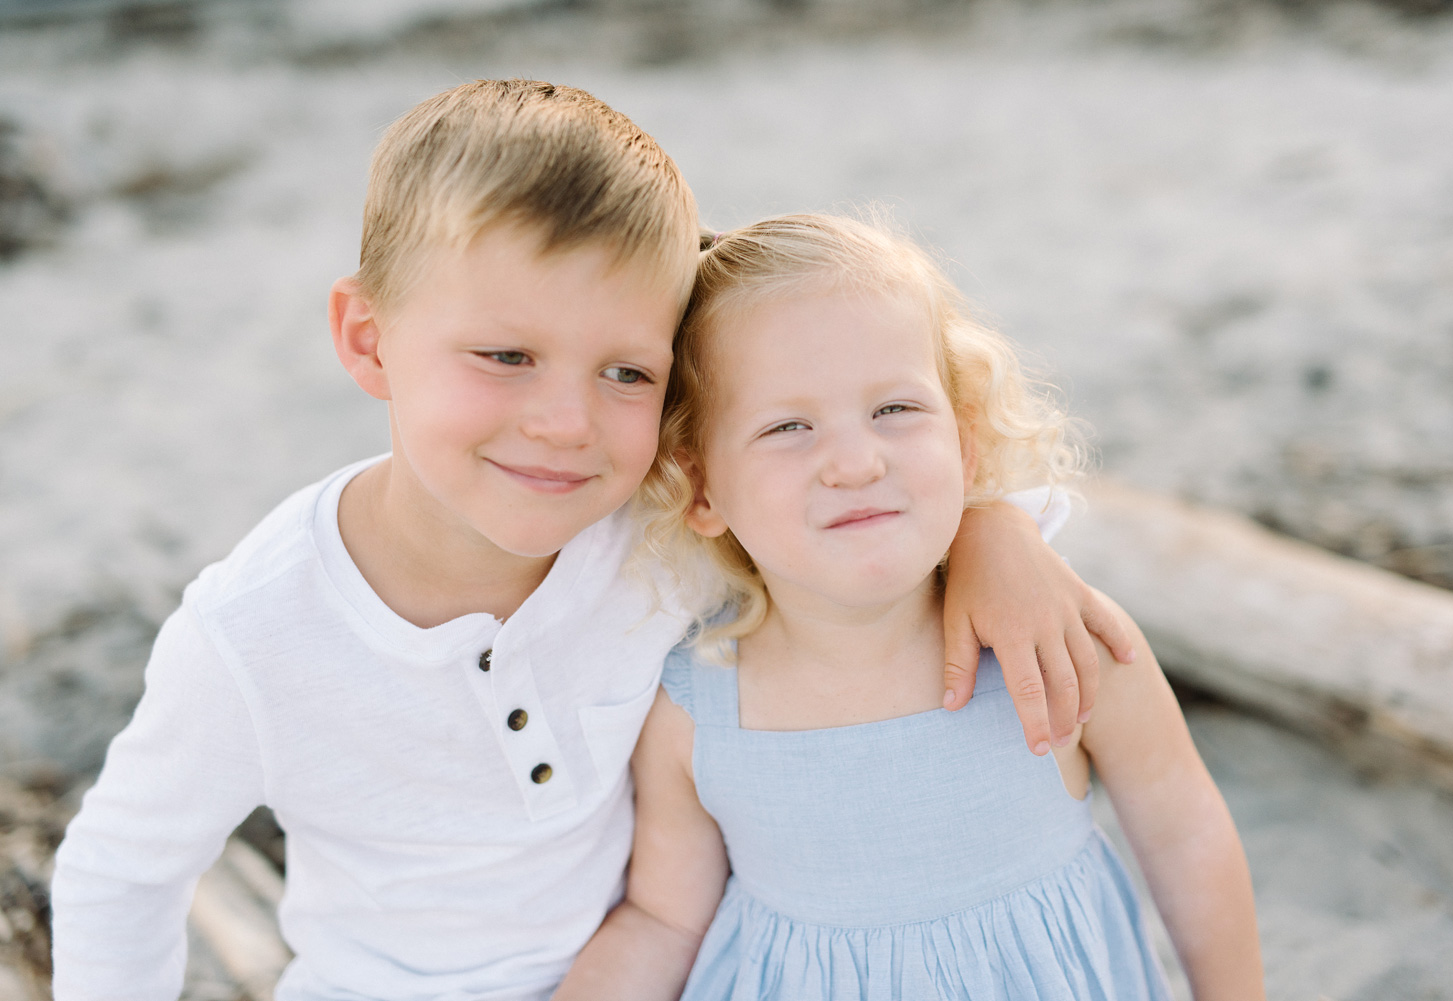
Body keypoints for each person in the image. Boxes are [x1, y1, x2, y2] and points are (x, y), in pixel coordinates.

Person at [48, 83, 1131, 1000]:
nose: (567, 422)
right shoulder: (254, 633)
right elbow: (121, 873)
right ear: (368, 339)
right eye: (507, 354)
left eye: (627, 372)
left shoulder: (659, 529)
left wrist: (994, 532)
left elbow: (852, 501)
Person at [556, 214, 1265, 1001]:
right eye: (788, 426)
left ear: (963, 442)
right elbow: (664, 919)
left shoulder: (1060, 641)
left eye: (895, 409)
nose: (856, 461)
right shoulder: (696, 708)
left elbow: (1184, 831)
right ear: (701, 486)